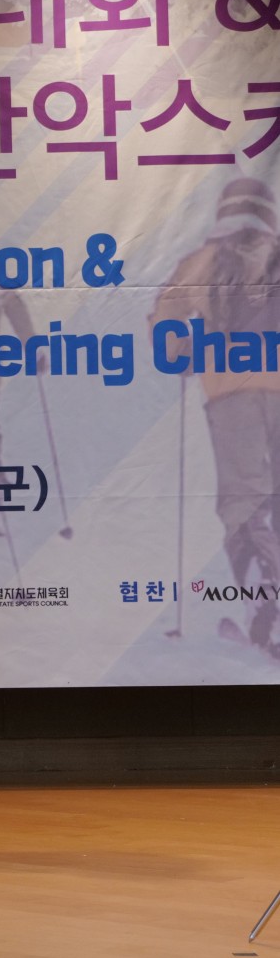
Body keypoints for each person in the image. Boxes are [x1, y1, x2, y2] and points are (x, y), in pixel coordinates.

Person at [152, 177, 280, 657]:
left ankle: (268, 609)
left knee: (245, 503)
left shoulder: (203, 259)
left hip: (232, 395)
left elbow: (166, 315)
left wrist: (182, 351)